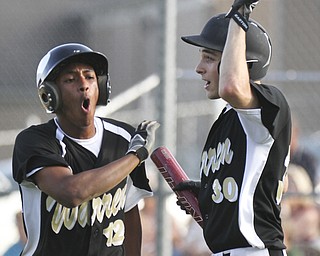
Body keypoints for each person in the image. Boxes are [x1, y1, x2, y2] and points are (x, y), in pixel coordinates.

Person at [12, 43, 160, 256]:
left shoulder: (124, 138)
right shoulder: (34, 141)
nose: (84, 85)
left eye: (90, 77)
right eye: (70, 80)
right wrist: (136, 155)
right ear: (49, 94)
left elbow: (128, 213)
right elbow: (71, 192)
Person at [174, 1, 291, 255]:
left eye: (210, 57)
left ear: (243, 61)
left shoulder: (270, 104)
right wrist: (208, 193)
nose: (199, 68)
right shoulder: (227, 119)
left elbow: (232, 87)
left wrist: (239, 17)